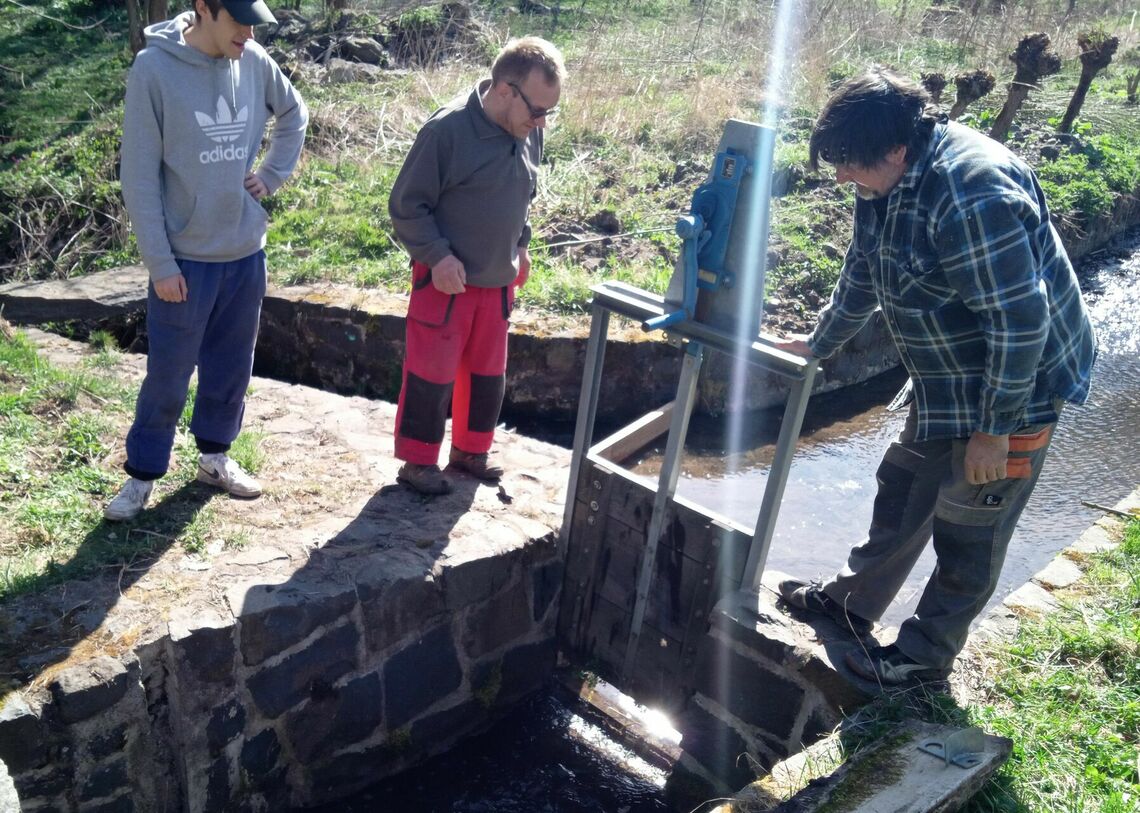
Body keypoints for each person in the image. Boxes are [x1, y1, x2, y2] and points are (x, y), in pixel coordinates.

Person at [775, 67, 1096, 686]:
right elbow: (863, 273)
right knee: (904, 485)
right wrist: (818, 345)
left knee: (971, 519)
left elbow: (1018, 323)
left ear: (896, 149)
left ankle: (925, 654)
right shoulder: (881, 184)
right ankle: (851, 603)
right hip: (948, 372)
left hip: (1019, 386)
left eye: (849, 164)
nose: (841, 176)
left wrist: (993, 431)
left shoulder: (972, 194)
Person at [105, 0, 308, 520]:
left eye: (253, 21)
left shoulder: (255, 60)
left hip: (244, 253)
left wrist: (272, 174)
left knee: (231, 367)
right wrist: (160, 263)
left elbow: (294, 114)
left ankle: (215, 458)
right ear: (203, 9)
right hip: (185, 263)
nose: (248, 31)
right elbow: (139, 176)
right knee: (168, 376)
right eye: (238, 20)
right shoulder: (153, 69)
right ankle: (143, 476)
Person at [388, 37, 565, 495]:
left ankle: (470, 452)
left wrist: (521, 245)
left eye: (549, 111)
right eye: (538, 109)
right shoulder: (445, 132)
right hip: (445, 282)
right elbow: (407, 206)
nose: (543, 120)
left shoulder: (530, 129)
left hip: (498, 282)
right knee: (431, 374)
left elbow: (525, 195)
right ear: (506, 89)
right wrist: (438, 256)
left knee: (487, 375)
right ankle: (417, 462)